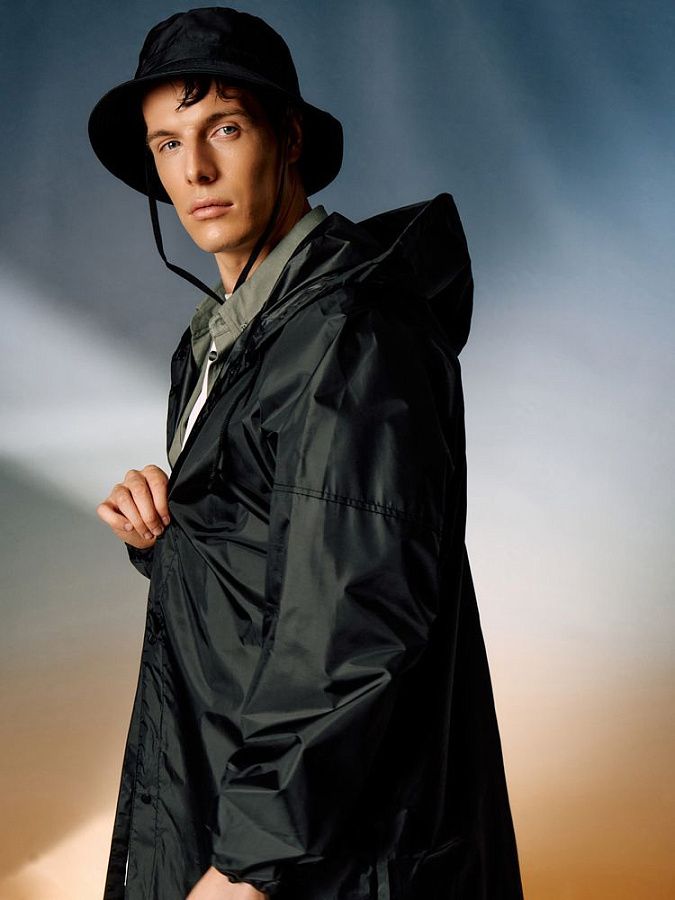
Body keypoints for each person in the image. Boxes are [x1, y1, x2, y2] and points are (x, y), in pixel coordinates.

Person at [90, 7, 523, 900]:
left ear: (287, 139)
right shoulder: (219, 342)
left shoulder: (350, 330)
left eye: (224, 129)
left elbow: (357, 618)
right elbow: (287, 563)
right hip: (239, 812)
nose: (194, 170)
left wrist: (249, 863)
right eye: (168, 143)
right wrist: (169, 535)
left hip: (326, 862)